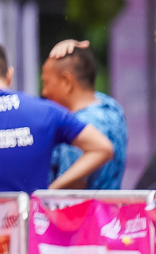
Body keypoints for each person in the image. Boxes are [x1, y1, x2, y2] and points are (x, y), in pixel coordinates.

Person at [0, 42, 115, 195]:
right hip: (33, 220)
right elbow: (102, 148)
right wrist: (52, 189)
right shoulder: (47, 110)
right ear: (9, 74)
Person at [41, 40, 128, 189]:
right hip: (110, 204)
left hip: (80, 205)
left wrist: (50, 190)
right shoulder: (112, 108)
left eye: (46, 82)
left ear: (67, 81)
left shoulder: (76, 131)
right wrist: (75, 49)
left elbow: (71, 193)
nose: (44, 92)